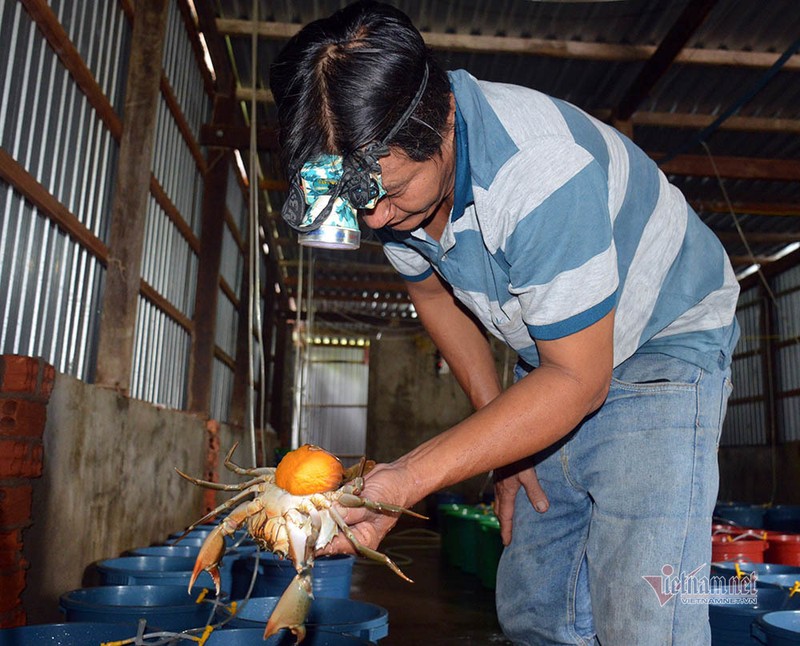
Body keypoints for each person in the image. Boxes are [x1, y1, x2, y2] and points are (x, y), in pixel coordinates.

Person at [269, 2, 740, 644]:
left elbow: (578, 380)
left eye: (392, 192)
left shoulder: (537, 172)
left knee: (644, 608)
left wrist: (407, 477)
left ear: (440, 122)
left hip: (662, 338)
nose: (374, 220)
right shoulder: (388, 188)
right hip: (553, 352)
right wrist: (506, 442)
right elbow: (435, 299)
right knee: (535, 607)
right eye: (359, 203)